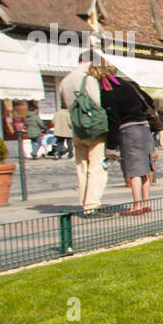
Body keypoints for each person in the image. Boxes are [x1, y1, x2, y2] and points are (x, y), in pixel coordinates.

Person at [92, 59, 156, 215]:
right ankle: (146, 203)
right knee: (146, 167)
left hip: (129, 131)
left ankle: (137, 205)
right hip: (144, 128)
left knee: (133, 169)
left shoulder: (108, 92)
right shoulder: (129, 85)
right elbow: (148, 100)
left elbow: (113, 121)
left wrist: (111, 146)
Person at [57, 61, 109, 216]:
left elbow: (66, 104)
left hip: (77, 129)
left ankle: (84, 201)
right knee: (97, 166)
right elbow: (97, 102)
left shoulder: (64, 81)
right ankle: (92, 205)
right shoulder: (88, 80)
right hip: (93, 129)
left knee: (82, 167)